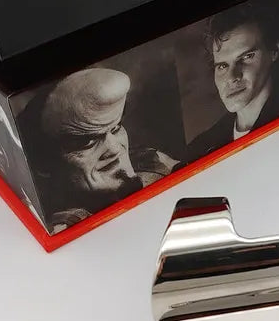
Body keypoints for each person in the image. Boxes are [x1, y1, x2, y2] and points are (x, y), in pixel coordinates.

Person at [19, 68, 179, 231]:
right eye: (87, 141)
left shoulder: (151, 160)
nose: (114, 149)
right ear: (44, 162)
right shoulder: (61, 226)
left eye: (116, 128)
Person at [187, 1, 279, 159]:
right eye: (222, 66)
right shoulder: (200, 149)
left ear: (274, 51)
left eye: (246, 57)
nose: (232, 77)